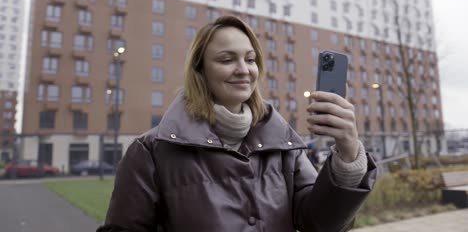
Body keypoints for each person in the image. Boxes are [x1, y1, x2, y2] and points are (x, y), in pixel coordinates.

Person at [97, 16, 377, 232]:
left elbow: (320, 223)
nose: (243, 70)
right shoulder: (150, 151)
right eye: (227, 59)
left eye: (251, 59)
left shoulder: (283, 144)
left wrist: (348, 152)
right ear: (200, 71)